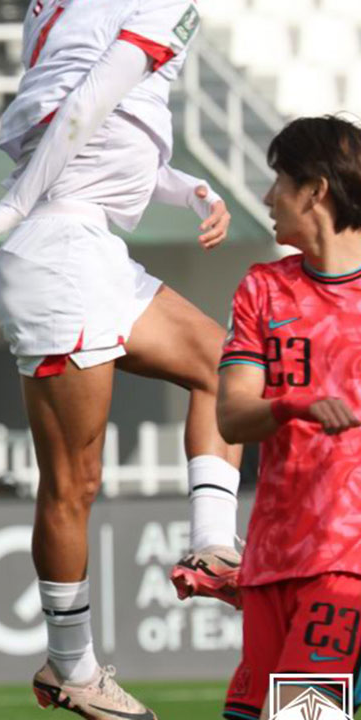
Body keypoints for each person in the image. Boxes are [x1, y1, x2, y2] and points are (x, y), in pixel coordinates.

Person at [0, 2, 244, 717]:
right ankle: (73, 663)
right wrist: (14, 208)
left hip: (93, 248)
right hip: (63, 254)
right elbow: (87, 107)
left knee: (227, 368)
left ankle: (214, 547)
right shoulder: (160, 7)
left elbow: (100, 135)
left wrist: (190, 186)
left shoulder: (56, 11)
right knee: (76, 480)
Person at [218, 116, 361, 720]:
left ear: (316, 189)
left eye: (278, 178)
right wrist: (292, 404)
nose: (266, 196)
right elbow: (231, 416)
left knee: (301, 716)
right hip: (272, 557)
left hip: (346, 561)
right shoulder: (262, 288)